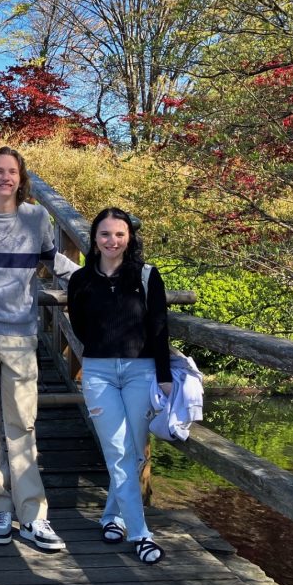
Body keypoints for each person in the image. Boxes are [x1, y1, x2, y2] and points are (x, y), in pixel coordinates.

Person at [0, 146, 74, 551]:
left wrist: (112, 278)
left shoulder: (37, 218)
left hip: (21, 334)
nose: (6, 178)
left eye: (13, 172)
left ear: (21, 180)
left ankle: (34, 515)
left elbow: (54, 263)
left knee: (22, 423)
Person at [66, 207, 168, 564]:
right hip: (98, 373)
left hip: (141, 371)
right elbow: (78, 326)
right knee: (118, 451)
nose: (112, 241)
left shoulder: (146, 275)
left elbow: (159, 327)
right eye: (106, 234)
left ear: (129, 238)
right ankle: (141, 534)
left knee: (135, 452)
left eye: (119, 234)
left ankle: (112, 516)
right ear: (94, 238)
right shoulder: (80, 280)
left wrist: (165, 377)